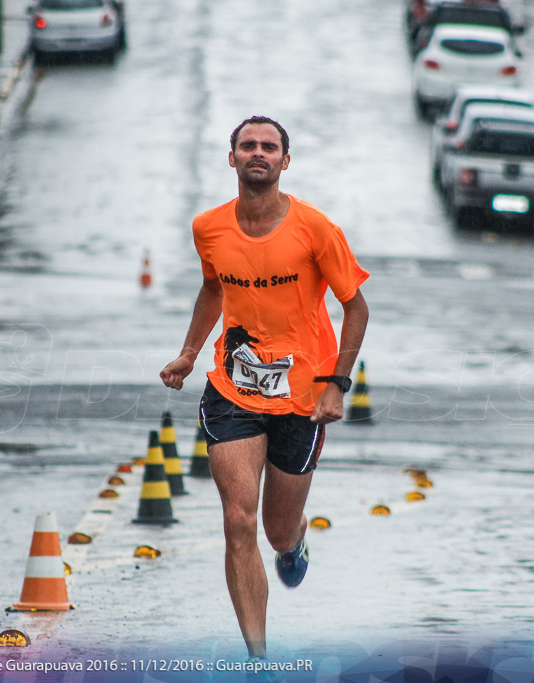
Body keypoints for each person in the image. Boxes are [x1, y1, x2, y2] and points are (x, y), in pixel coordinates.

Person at [160, 115, 369, 662]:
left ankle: (293, 540)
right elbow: (212, 288)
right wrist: (188, 351)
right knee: (237, 519)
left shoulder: (314, 228)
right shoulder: (208, 228)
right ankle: (259, 661)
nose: (258, 153)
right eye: (248, 145)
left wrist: (336, 385)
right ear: (231, 158)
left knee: (275, 532)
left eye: (269, 147)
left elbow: (355, 307)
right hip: (233, 389)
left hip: (302, 397)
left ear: (284, 161)